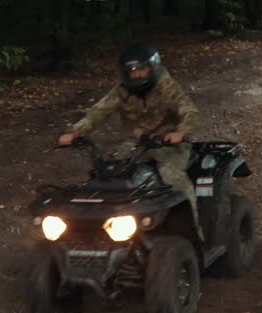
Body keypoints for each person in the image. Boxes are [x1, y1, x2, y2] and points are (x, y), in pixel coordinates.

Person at [59, 43, 203, 237]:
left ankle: (194, 227)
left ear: (152, 67)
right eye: (131, 71)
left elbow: (190, 112)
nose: (135, 75)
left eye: (140, 69)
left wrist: (181, 132)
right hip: (140, 144)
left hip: (170, 143)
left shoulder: (166, 87)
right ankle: (104, 226)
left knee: (173, 177)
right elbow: (99, 111)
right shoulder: (123, 90)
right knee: (109, 172)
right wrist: (76, 132)